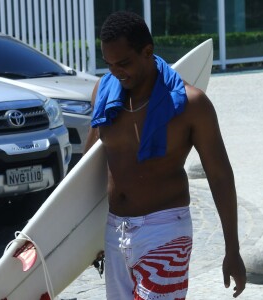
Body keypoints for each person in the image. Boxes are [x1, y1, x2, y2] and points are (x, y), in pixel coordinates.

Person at [84, 11, 246, 300]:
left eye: (123, 63)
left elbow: (220, 176)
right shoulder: (104, 92)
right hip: (115, 230)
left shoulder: (191, 104)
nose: (116, 72)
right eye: (109, 65)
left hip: (165, 231)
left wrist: (232, 250)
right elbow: (88, 166)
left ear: (148, 51)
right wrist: (80, 238)